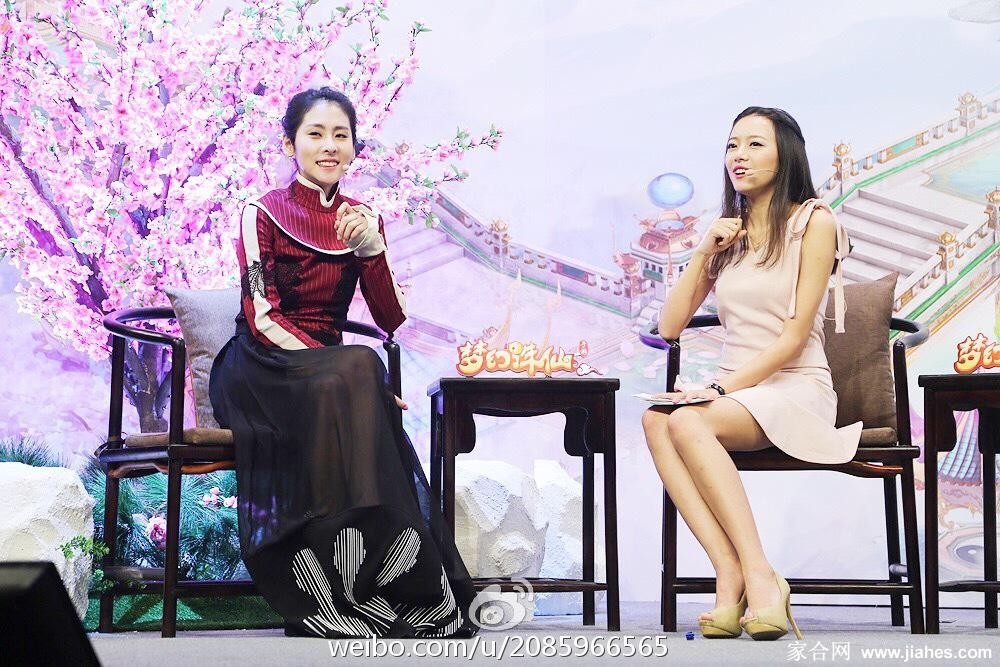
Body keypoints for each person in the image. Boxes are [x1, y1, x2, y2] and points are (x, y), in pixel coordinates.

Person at [209, 87, 478, 639]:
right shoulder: (261, 212)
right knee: (358, 367)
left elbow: (391, 319)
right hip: (261, 367)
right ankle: (325, 582)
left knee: (360, 366)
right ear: (290, 144)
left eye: (341, 135)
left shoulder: (361, 219)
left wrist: (372, 250)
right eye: (315, 134)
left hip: (333, 378)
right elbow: (260, 314)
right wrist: (343, 375)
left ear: (354, 147)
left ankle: (369, 582)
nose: (329, 146)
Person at [641, 107, 862, 641]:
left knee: (686, 420)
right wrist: (703, 250)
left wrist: (718, 388)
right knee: (655, 419)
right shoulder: (728, 233)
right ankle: (730, 571)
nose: (739, 156)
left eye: (755, 144)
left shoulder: (814, 222)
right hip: (736, 393)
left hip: (795, 386)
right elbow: (669, 327)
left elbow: (792, 339)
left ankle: (759, 574)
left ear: (786, 154)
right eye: (732, 145)